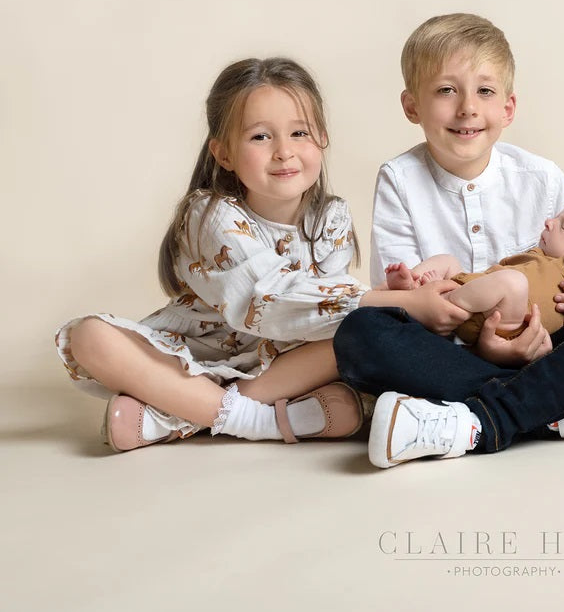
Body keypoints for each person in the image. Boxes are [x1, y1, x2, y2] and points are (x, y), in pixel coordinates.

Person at [55, 57, 470, 452]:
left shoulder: (331, 216)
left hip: (282, 364)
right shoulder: (210, 213)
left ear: (322, 139)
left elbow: (325, 311)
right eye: (260, 136)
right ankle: (260, 422)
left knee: (358, 331)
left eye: (299, 133)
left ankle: (174, 414)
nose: (284, 151)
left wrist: (389, 295)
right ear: (224, 154)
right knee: (89, 337)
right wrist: (391, 301)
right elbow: (265, 302)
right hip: (197, 357)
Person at [332, 13, 564, 468]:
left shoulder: (542, 177)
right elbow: (408, 305)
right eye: (445, 90)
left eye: (485, 91)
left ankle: (483, 419)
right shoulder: (400, 179)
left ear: (508, 107)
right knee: (360, 333)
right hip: (454, 352)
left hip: (552, 342)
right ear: (411, 106)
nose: (467, 108)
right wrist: (484, 346)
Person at [383, 201, 564, 344]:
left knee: (513, 282)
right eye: (557, 217)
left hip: (505, 323)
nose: (549, 222)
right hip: (478, 293)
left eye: (563, 226)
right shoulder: (538, 258)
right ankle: (414, 287)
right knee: (448, 260)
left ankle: (447, 303)